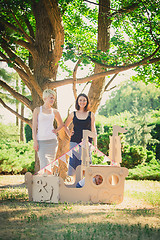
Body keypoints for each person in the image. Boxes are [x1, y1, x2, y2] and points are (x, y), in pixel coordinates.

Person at [65, 93, 97, 177]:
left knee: (86, 164)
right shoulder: (73, 114)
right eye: (80, 100)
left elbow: (93, 130)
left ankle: (83, 184)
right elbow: (65, 126)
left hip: (87, 143)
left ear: (87, 102)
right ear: (77, 102)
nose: (82, 102)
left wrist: (95, 145)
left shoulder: (91, 114)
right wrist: (69, 134)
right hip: (74, 142)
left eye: (84, 100)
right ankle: (76, 184)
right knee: (74, 164)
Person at [32, 89, 64, 172]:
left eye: (53, 98)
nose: (53, 100)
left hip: (52, 142)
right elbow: (34, 127)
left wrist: (56, 130)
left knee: (50, 166)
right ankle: (43, 184)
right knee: (44, 164)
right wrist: (35, 141)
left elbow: (61, 124)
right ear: (45, 98)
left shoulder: (55, 111)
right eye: (51, 98)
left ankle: (49, 184)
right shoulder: (37, 110)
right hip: (41, 142)